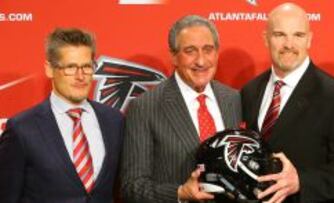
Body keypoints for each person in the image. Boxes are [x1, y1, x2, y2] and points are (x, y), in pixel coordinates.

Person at [240, 3, 334, 203]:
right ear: (265, 39)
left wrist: (301, 182)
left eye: (298, 35)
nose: (289, 44)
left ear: (309, 39)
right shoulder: (249, 91)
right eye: (279, 35)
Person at [120, 15, 242, 203]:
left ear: (217, 53)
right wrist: (179, 193)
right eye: (190, 51)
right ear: (174, 57)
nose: (201, 61)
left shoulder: (233, 99)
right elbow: (132, 186)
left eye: (208, 50)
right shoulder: (145, 107)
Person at [0, 28, 124, 203]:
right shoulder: (22, 129)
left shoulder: (114, 121)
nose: (80, 76)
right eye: (71, 67)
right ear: (50, 69)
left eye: (87, 67)